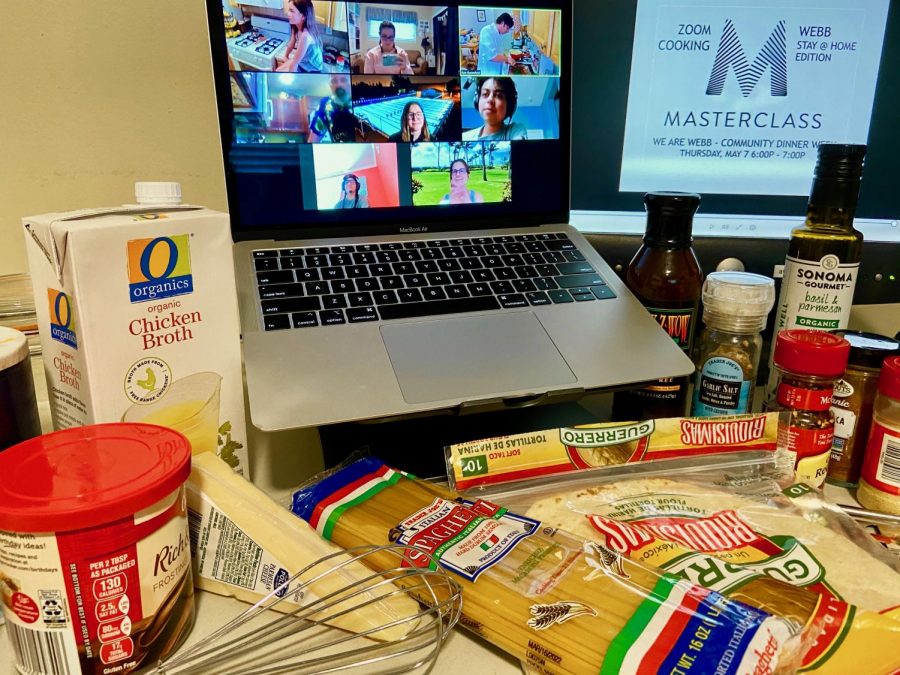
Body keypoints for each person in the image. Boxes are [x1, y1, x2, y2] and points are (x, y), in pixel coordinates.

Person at [462, 77, 527, 141]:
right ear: (477, 100)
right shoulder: (465, 137)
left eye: (499, 95)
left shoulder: (516, 131)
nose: (490, 100)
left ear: (509, 105)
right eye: (485, 94)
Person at [276, 0, 324, 73]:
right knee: (277, 70)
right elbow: (291, 44)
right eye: (289, 10)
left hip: (312, 68)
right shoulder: (295, 26)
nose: (288, 13)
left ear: (303, 16)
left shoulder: (305, 36)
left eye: (292, 11)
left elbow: (295, 63)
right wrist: (285, 56)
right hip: (302, 60)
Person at [308, 74, 355, 143]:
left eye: (343, 80)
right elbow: (314, 137)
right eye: (334, 81)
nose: (339, 85)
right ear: (330, 85)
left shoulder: (359, 101)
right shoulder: (325, 105)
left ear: (349, 83)